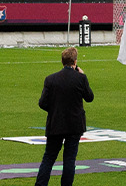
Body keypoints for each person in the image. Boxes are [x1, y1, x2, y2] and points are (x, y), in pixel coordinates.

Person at [35, 47, 93, 186]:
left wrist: (55, 110)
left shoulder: (51, 79)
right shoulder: (80, 78)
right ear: (75, 61)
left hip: (56, 123)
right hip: (74, 124)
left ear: (62, 61)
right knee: (69, 159)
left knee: (49, 158)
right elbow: (89, 97)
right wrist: (83, 76)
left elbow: (42, 103)